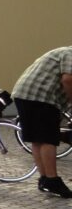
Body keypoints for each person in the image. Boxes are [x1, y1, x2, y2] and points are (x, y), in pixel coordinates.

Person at [12, 47, 72, 198]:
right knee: (48, 138)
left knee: (37, 139)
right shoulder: (70, 54)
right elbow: (68, 79)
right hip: (41, 97)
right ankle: (53, 180)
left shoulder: (62, 52)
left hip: (24, 93)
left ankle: (44, 179)